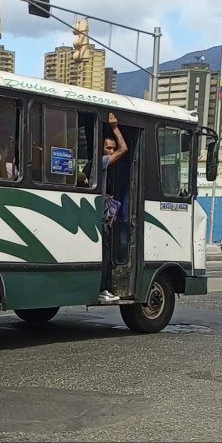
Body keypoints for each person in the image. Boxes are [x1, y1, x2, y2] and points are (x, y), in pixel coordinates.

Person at [99, 112, 128, 302]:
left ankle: (104, 289)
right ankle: (102, 290)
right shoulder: (102, 162)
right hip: (100, 219)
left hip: (104, 216)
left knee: (107, 253)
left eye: (112, 148)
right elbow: (124, 148)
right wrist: (115, 127)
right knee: (104, 254)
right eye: (108, 148)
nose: (110, 151)